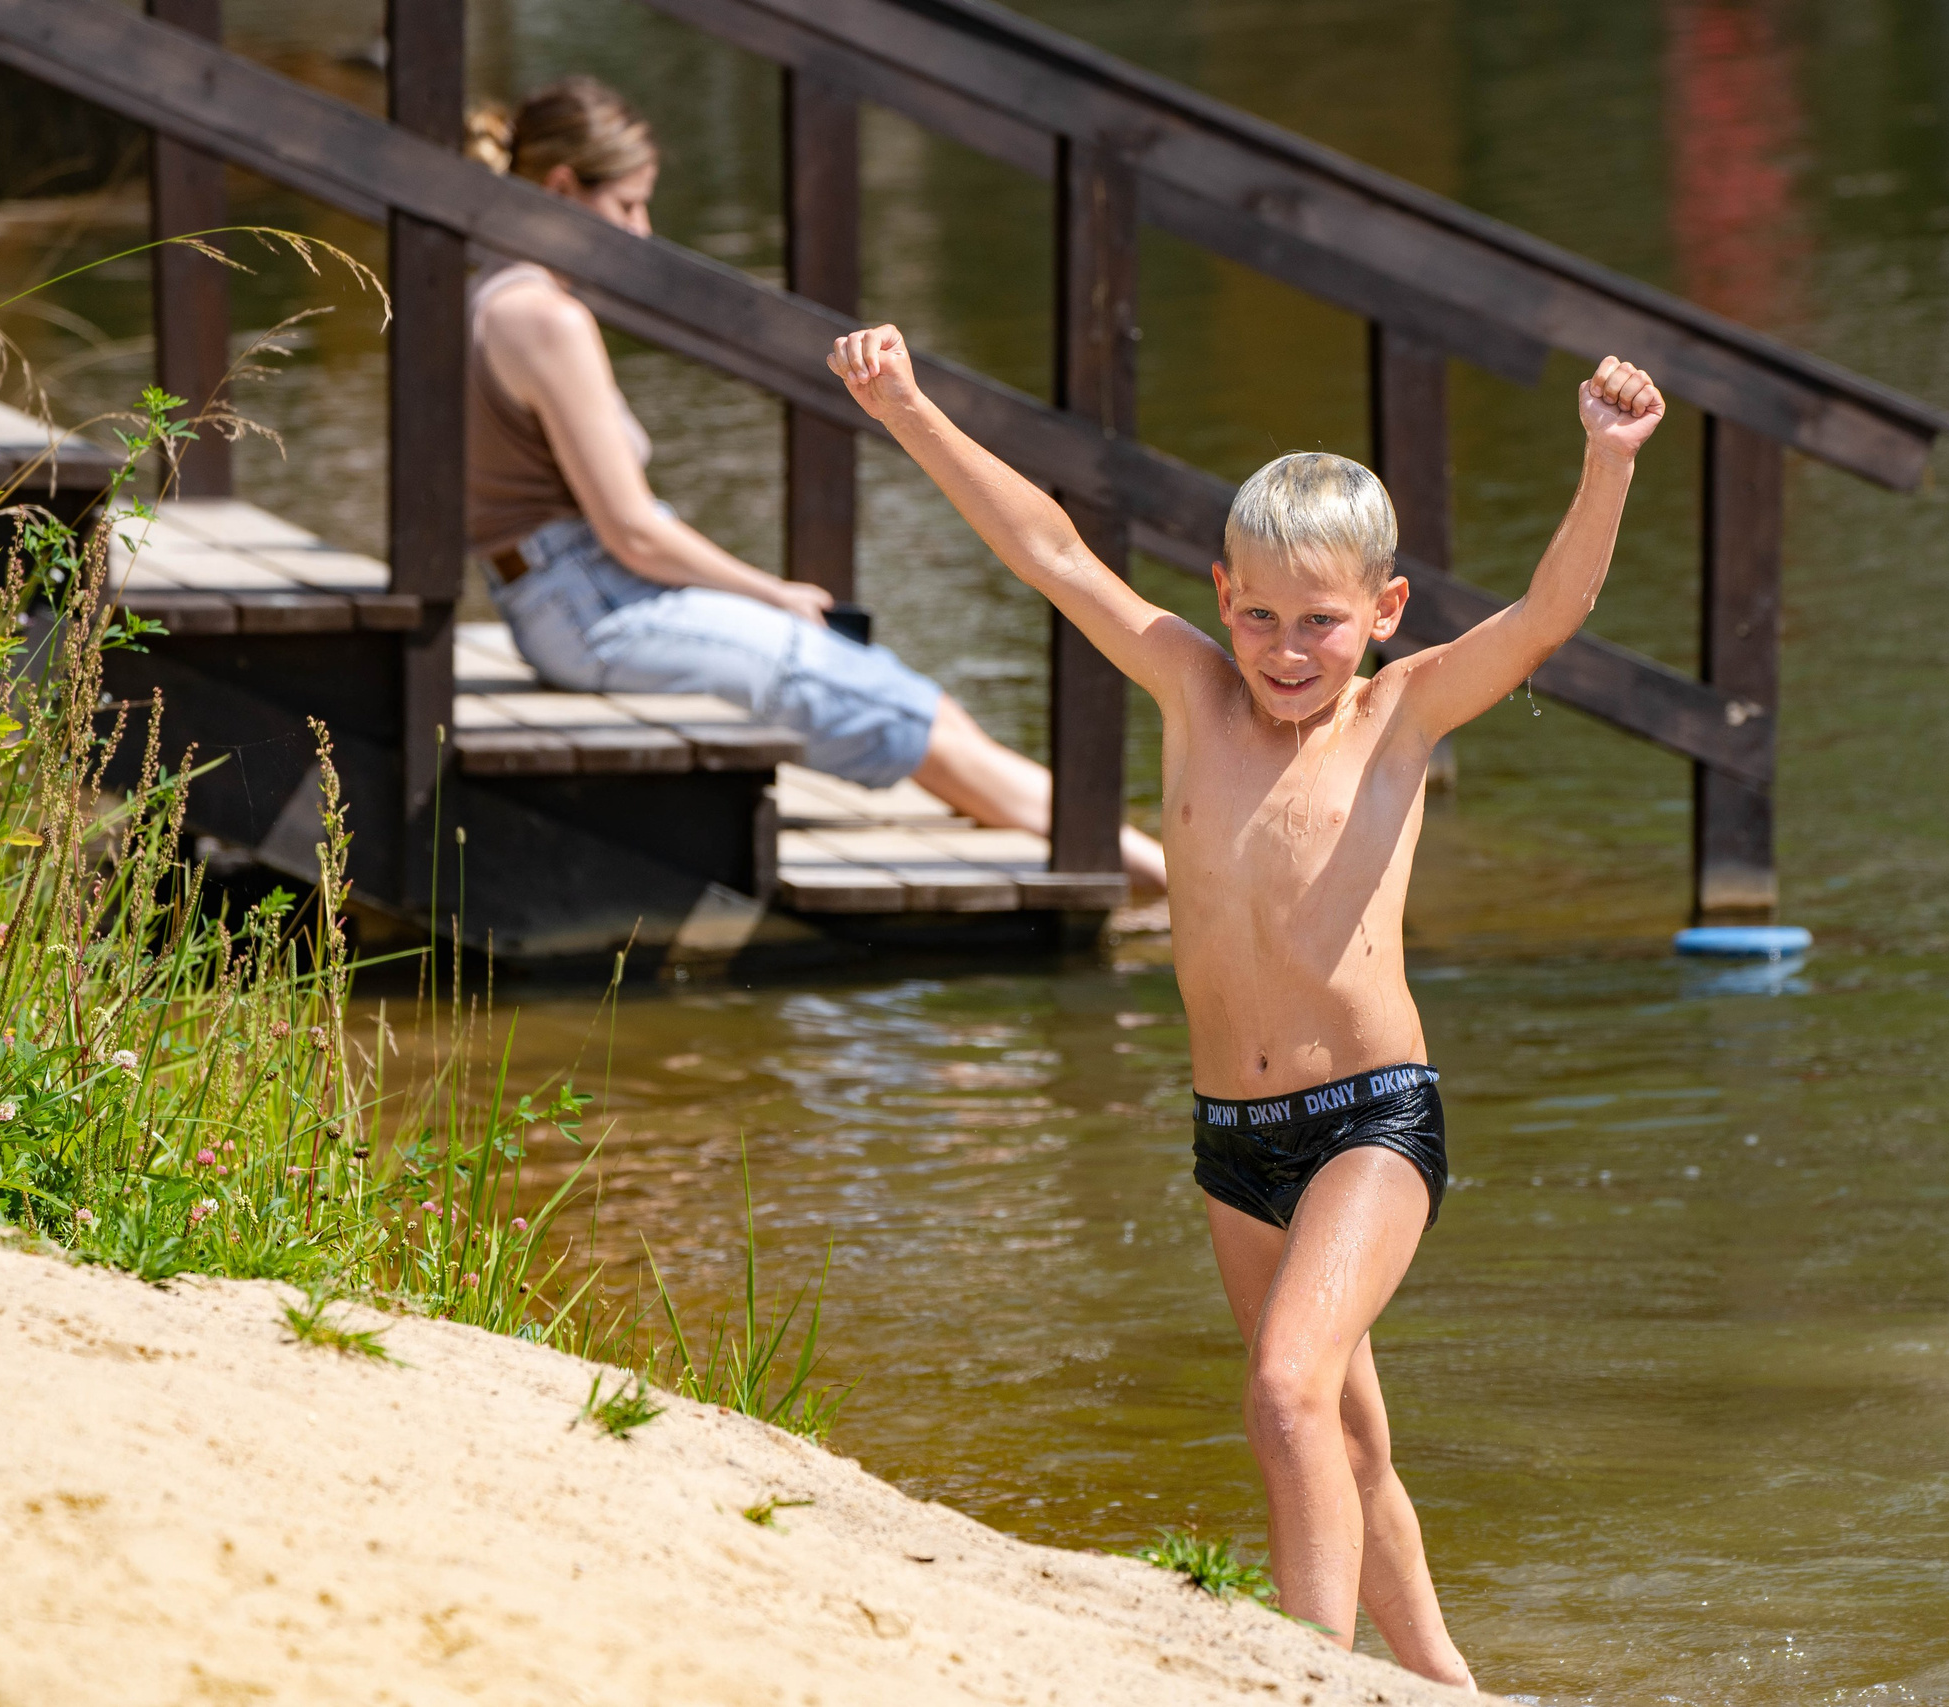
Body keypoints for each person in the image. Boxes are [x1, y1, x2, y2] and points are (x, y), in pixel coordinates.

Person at [828, 319, 1665, 1684]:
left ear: (1383, 613)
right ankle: (1450, 1680)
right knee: (1345, 1431)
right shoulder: (1190, 690)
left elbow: (1551, 611)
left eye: (1322, 621)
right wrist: (910, 408)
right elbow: (1048, 550)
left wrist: (1609, 460)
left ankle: (1309, 1670)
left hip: (1371, 1127)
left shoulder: (1399, 714)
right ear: (1221, 595)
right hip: (1234, 1139)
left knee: (1283, 1390)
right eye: (1262, 615)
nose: (1288, 651)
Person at [463, 77, 1166, 894]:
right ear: (560, 188)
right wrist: (772, 592)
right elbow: (633, 533)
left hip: (560, 601)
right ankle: (1176, 884)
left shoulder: (484, 284)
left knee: (921, 708)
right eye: (628, 205)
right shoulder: (547, 318)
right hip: (600, 607)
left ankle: (1148, 873)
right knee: (912, 716)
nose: (643, 232)